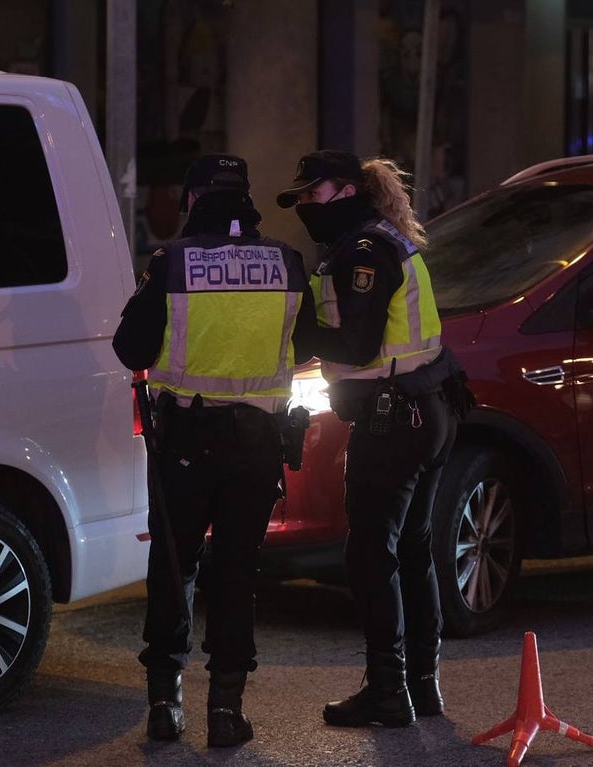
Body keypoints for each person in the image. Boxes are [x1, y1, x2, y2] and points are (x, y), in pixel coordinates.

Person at [113, 153, 316, 748]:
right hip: (256, 445)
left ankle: (163, 704)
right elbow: (304, 346)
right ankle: (226, 712)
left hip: (185, 443)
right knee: (237, 572)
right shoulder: (286, 261)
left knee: (174, 569)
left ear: (194, 199)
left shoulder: (171, 262)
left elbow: (131, 348)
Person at [276, 150, 474, 728]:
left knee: (370, 553)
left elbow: (357, 346)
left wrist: (295, 328)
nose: (305, 207)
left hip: (397, 419)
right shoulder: (373, 240)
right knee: (410, 549)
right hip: (426, 409)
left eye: (312, 195)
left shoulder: (363, 250)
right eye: (300, 198)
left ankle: (388, 691)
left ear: (344, 191)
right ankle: (421, 687)